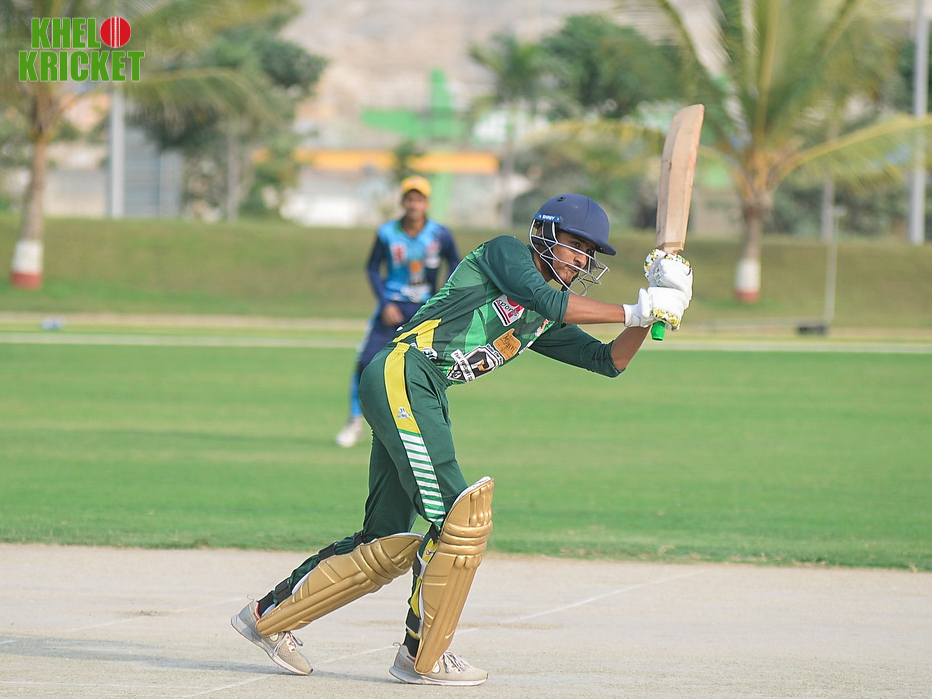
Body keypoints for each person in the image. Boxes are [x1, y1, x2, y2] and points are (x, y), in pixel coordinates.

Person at [232, 193, 693, 685]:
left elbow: (608, 361)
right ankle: (422, 655)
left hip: (420, 391)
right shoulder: (504, 253)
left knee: (384, 539)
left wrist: (655, 312)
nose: (581, 260)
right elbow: (547, 300)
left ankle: (267, 617)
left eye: (589, 253)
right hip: (404, 372)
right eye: (575, 245)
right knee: (459, 517)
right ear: (545, 233)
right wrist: (638, 306)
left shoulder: (542, 318)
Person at [335, 175, 460, 447]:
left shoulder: (439, 234)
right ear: (403, 202)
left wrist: (441, 296)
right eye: (409, 199)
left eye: (419, 199)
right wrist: (385, 303)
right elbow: (372, 268)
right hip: (391, 307)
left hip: (423, 310)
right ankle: (355, 420)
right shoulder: (387, 233)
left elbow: (455, 263)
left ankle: (420, 426)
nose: (414, 205)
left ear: (426, 203)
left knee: (424, 369)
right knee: (366, 362)